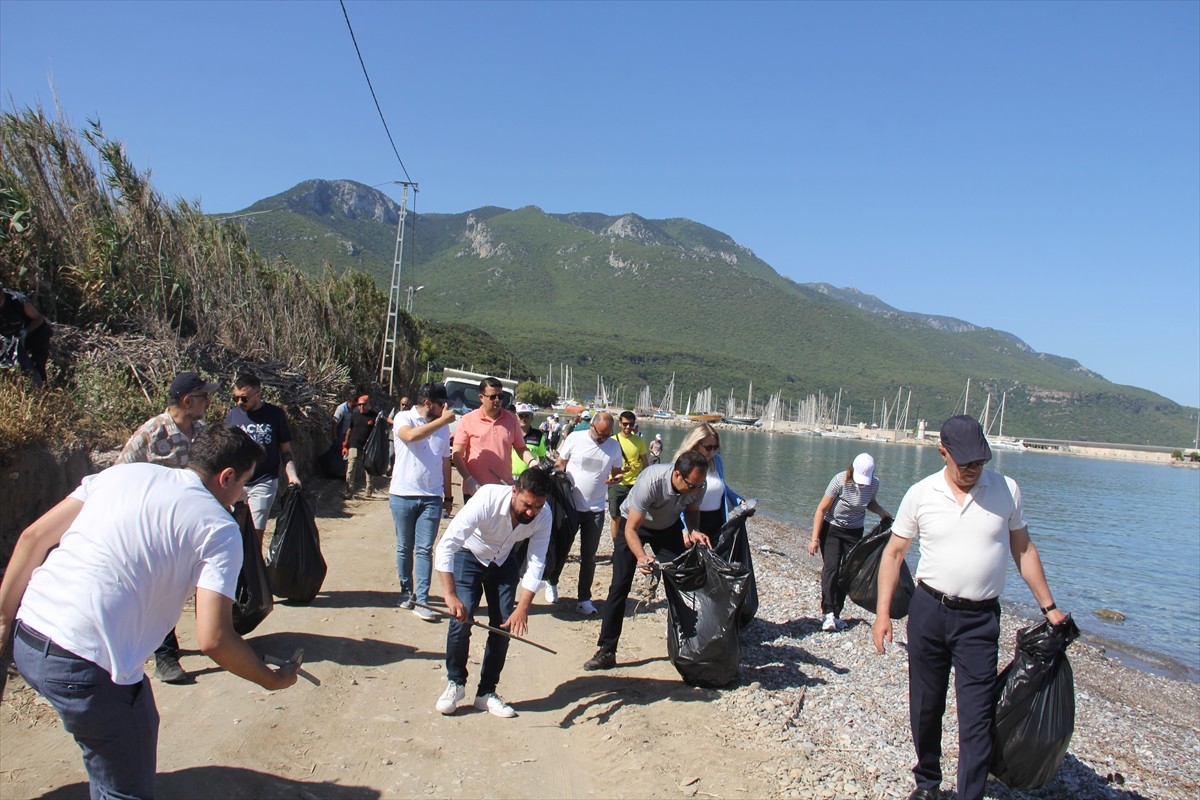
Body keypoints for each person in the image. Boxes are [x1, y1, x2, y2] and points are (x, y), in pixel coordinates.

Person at [0, 425, 300, 799]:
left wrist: (3, 619)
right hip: (85, 663)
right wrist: (271, 680)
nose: (243, 493)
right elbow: (213, 638)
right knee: (125, 784)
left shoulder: (124, 473)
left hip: (29, 636)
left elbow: (33, 538)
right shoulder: (219, 527)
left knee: (135, 720)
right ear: (226, 477)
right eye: (243, 483)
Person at [873, 415, 1068, 800]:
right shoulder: (921, 493)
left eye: (979, 462)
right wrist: (882, 614)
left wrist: (1050, 607)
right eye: (965, 464)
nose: (973, 470)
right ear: (942, 452)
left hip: (980, 620)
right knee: (926, 708)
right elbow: (894, 554)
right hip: (929, 612)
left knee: (977, 717)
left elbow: (1023, 549)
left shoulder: (1007, 490)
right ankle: (927, 781)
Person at [116, 370, 218, 683]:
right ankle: (163, 656)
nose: (208, 402)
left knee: (179, 589)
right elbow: (120, 472)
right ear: (188, 401)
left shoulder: (203, 433)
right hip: (155, 530)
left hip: (190, 530)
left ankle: (192, 641)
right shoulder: (152, 432)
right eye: (204, 397)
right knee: (161, 589)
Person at [433, 468, 552, 719]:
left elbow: (536, 561)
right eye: (527, 505)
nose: (531, 512)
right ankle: (455, 683)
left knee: (503, 626)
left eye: (537, 507)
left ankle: (486, 692)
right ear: (514, 491)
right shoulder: (486, 499)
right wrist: (450, 594)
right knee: (461, 620)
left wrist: (523, 608)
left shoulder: (544, 515)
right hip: (469, 555)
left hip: (503, 561)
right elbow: (446, 545)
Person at [583, 450, 710, 671]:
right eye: (692, 486)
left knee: (682, 583)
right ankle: (606, 651)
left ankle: (686, 647)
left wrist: (694, 530)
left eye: (699, 486)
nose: (696, 490)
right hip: (633, 526)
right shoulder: (652, 480)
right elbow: (631, 529)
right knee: (619, 587)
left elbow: (692, 510)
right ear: (678, 475)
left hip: (667, 527)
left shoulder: (698, 484)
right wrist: (641, 557)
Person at [390, 382, 456, 622]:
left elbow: (446, 462)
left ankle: (422, 599)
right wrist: (442, 421)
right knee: (404, 547)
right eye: (441, 404)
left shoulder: (442, 427)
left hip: (431, 497)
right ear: (428, 403)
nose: (445, 408)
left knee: (425, 549)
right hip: (402, 494)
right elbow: (410, 436)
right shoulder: (403, 417)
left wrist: (448, 496)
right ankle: (406, 591)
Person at [548, 410, 623, 613]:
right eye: (601, 434)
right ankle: (552, 581)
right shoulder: (575, 438)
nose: (603, 438)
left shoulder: (614, 446)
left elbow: (618, 473)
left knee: (588, 556)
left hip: (596, 509)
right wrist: (558, 479)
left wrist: (616, 480)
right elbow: (560, 464)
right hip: (571, 506)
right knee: (563, 548)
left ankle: (584, 599)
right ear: (592, 426)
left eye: (607, 435)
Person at [809, 453, 892, 632]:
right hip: (831, 529)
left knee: (847, 573)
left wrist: (881, 512)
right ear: (852, 470)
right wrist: (814, 539)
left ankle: (837, 613)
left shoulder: (873, 484)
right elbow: (821, 509)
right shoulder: (839, 481)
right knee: (831, 569)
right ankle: (828, 613)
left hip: (854, 532)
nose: (862, 484)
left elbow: (869, 502)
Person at [224, 372, 301, 548]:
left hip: (263, 481)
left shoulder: (274, 414)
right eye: (235, 398)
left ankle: (253, 572)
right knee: (232, 530)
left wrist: (292, 476)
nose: (239, 403)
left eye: (244, 398)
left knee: (255, 533)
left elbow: (286, 450)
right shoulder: (233, 416)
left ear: (258, 394)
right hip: (236, 482)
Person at [451, 377, 536, 499]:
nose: (497, 400)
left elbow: (521, 448)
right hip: (475, 489)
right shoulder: (467, 420)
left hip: (503, 489)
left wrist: (532, 462)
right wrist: (469, 479)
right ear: (481, 397)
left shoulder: (512, 419)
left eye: (501, 397)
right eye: (493, 397)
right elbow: (457, 454)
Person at [671, 423, 744, 538]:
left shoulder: (716, 461)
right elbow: (676, 498)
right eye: (708, 448)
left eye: (715, 447)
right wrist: (685, 528)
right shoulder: (683, 462)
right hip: (692, 521)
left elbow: (723, 487)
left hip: (717, 520)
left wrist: (740, 501)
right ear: (695, 443)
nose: (712, 452)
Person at [608, 411, 650, 541]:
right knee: (615, 516)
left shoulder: (639, 441)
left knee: (634, 516)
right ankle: (616, 544)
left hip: (634, 484)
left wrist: (645, 479)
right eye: (625, 424)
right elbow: (605, 463)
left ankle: (629, 541)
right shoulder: (612, 440)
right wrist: (619, 470)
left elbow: (645, 463)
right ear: (620, 423)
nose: (628, 427)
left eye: (631, 424)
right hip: (616, 483)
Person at [0, 285, 52, 386]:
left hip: (34, 332)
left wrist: (25, 332)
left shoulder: (17, 300)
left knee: (38, 363)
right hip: (11, 338)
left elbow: (38, 319)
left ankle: (42, 389)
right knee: (15, 363)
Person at [343, 395, 376, 499]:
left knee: (369, 469)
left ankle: (369, 490)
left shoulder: (374, 416)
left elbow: (379, 431)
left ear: (369, 404)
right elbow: (349, 430)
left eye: (364, 405)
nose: (361, 407)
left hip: (368, 446)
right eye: (359, 405)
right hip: (354, 445)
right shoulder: (355, 415)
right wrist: (345, 445)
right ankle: (349, 491)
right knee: (351, 468)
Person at [511, 403, 548, 477]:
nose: (523, 419)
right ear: (516, 418)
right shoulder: (509, 433)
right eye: (520, 416)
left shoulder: (538, 435)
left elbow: (542, 458)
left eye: (527, 416)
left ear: (532, 418)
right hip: (509, 476)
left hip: (528, 478)